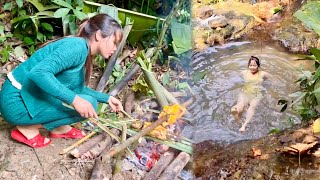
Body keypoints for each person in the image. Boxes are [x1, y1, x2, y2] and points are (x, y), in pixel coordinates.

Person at [0, 13, 124, 148]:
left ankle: (59, 128)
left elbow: (78, 89)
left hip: (26, 98)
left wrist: (106, 99)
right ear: (99, 35)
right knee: (88, 104)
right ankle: (27, 128)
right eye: (114, 42)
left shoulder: (83, 50)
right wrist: (75, 100)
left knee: (89, 103)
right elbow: (39, 73)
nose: (115, 49)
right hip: (16, 101)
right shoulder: (77, 47)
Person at [231, 56, 272, 132]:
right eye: (251, 65)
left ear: (258, 66)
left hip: (256, 94)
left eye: (254, 65)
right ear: (248, 65)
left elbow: (271, 79)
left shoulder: (263, 74)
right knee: (241, 104)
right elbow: (237, 78)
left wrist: (267, 87)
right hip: (245, 92)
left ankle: (244, 125)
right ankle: (236, 113)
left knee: (252, 107)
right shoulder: (244, 72)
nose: (252, 67)